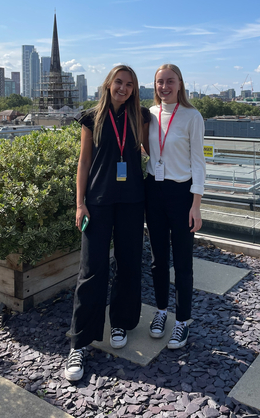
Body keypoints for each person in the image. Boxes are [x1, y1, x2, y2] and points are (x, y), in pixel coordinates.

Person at [65, 65, 150, 381]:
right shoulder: (91, 118)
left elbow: (150, 150)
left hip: (131, 202)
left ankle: (121, 323)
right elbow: (84, 161)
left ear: (134, 88)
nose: (123, 88)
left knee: (129, 264)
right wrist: (80, 203)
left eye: (129, 84)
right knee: (91, 270)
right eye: (119, 82)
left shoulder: (140, 117)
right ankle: (80, 343)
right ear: (108, 84)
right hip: (96, 205)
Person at [145, 63, 205, 349]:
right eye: (160, 82)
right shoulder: (149, 115)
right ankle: (161, 311)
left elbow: (199, 163)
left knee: (182, 261)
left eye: (170, 81)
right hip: (153, 192)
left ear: (180, 84)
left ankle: (182, 321)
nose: (164, 87)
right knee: (157, 260)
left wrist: (196, 205)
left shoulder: (193, 117)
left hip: (181, 194)